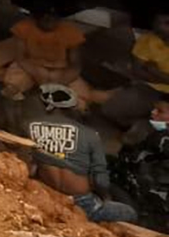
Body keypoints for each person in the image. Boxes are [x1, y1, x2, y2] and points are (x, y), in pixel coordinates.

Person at [28, 84, 137, 224]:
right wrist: (105, 198)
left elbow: (31, 169)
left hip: (49, 195)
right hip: (82, 203)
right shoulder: (89, 135)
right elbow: (100, 179)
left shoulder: (33, 129)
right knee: (129, 212)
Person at [100, 9, 169, 127]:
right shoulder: (147, 40)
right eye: (157, 22)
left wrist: (154, 71)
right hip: (150, 88)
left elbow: (144, 71)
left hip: (155, 84)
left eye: (166, 23)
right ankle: (149, 126)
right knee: (109, 110)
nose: (159, 27)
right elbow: (138, 71)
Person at [2, 8, 88, 101]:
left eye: (53, 15)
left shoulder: (71, 32)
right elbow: (21, 58)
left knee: (81, 93)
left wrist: (62, 81)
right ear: (35, 16)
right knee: (13, 84)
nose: (48, 18)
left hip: (60, 68)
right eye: (43, 14)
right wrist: (37, 73)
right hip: (30, 65)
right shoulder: (23, 28)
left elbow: (75, 64)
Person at [113, 98, 169, 230]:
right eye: (154, 109)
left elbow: (134, 158)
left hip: (155, 203)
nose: (153, 113)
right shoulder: (155, 136)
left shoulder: (161, 138)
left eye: (160, 111)